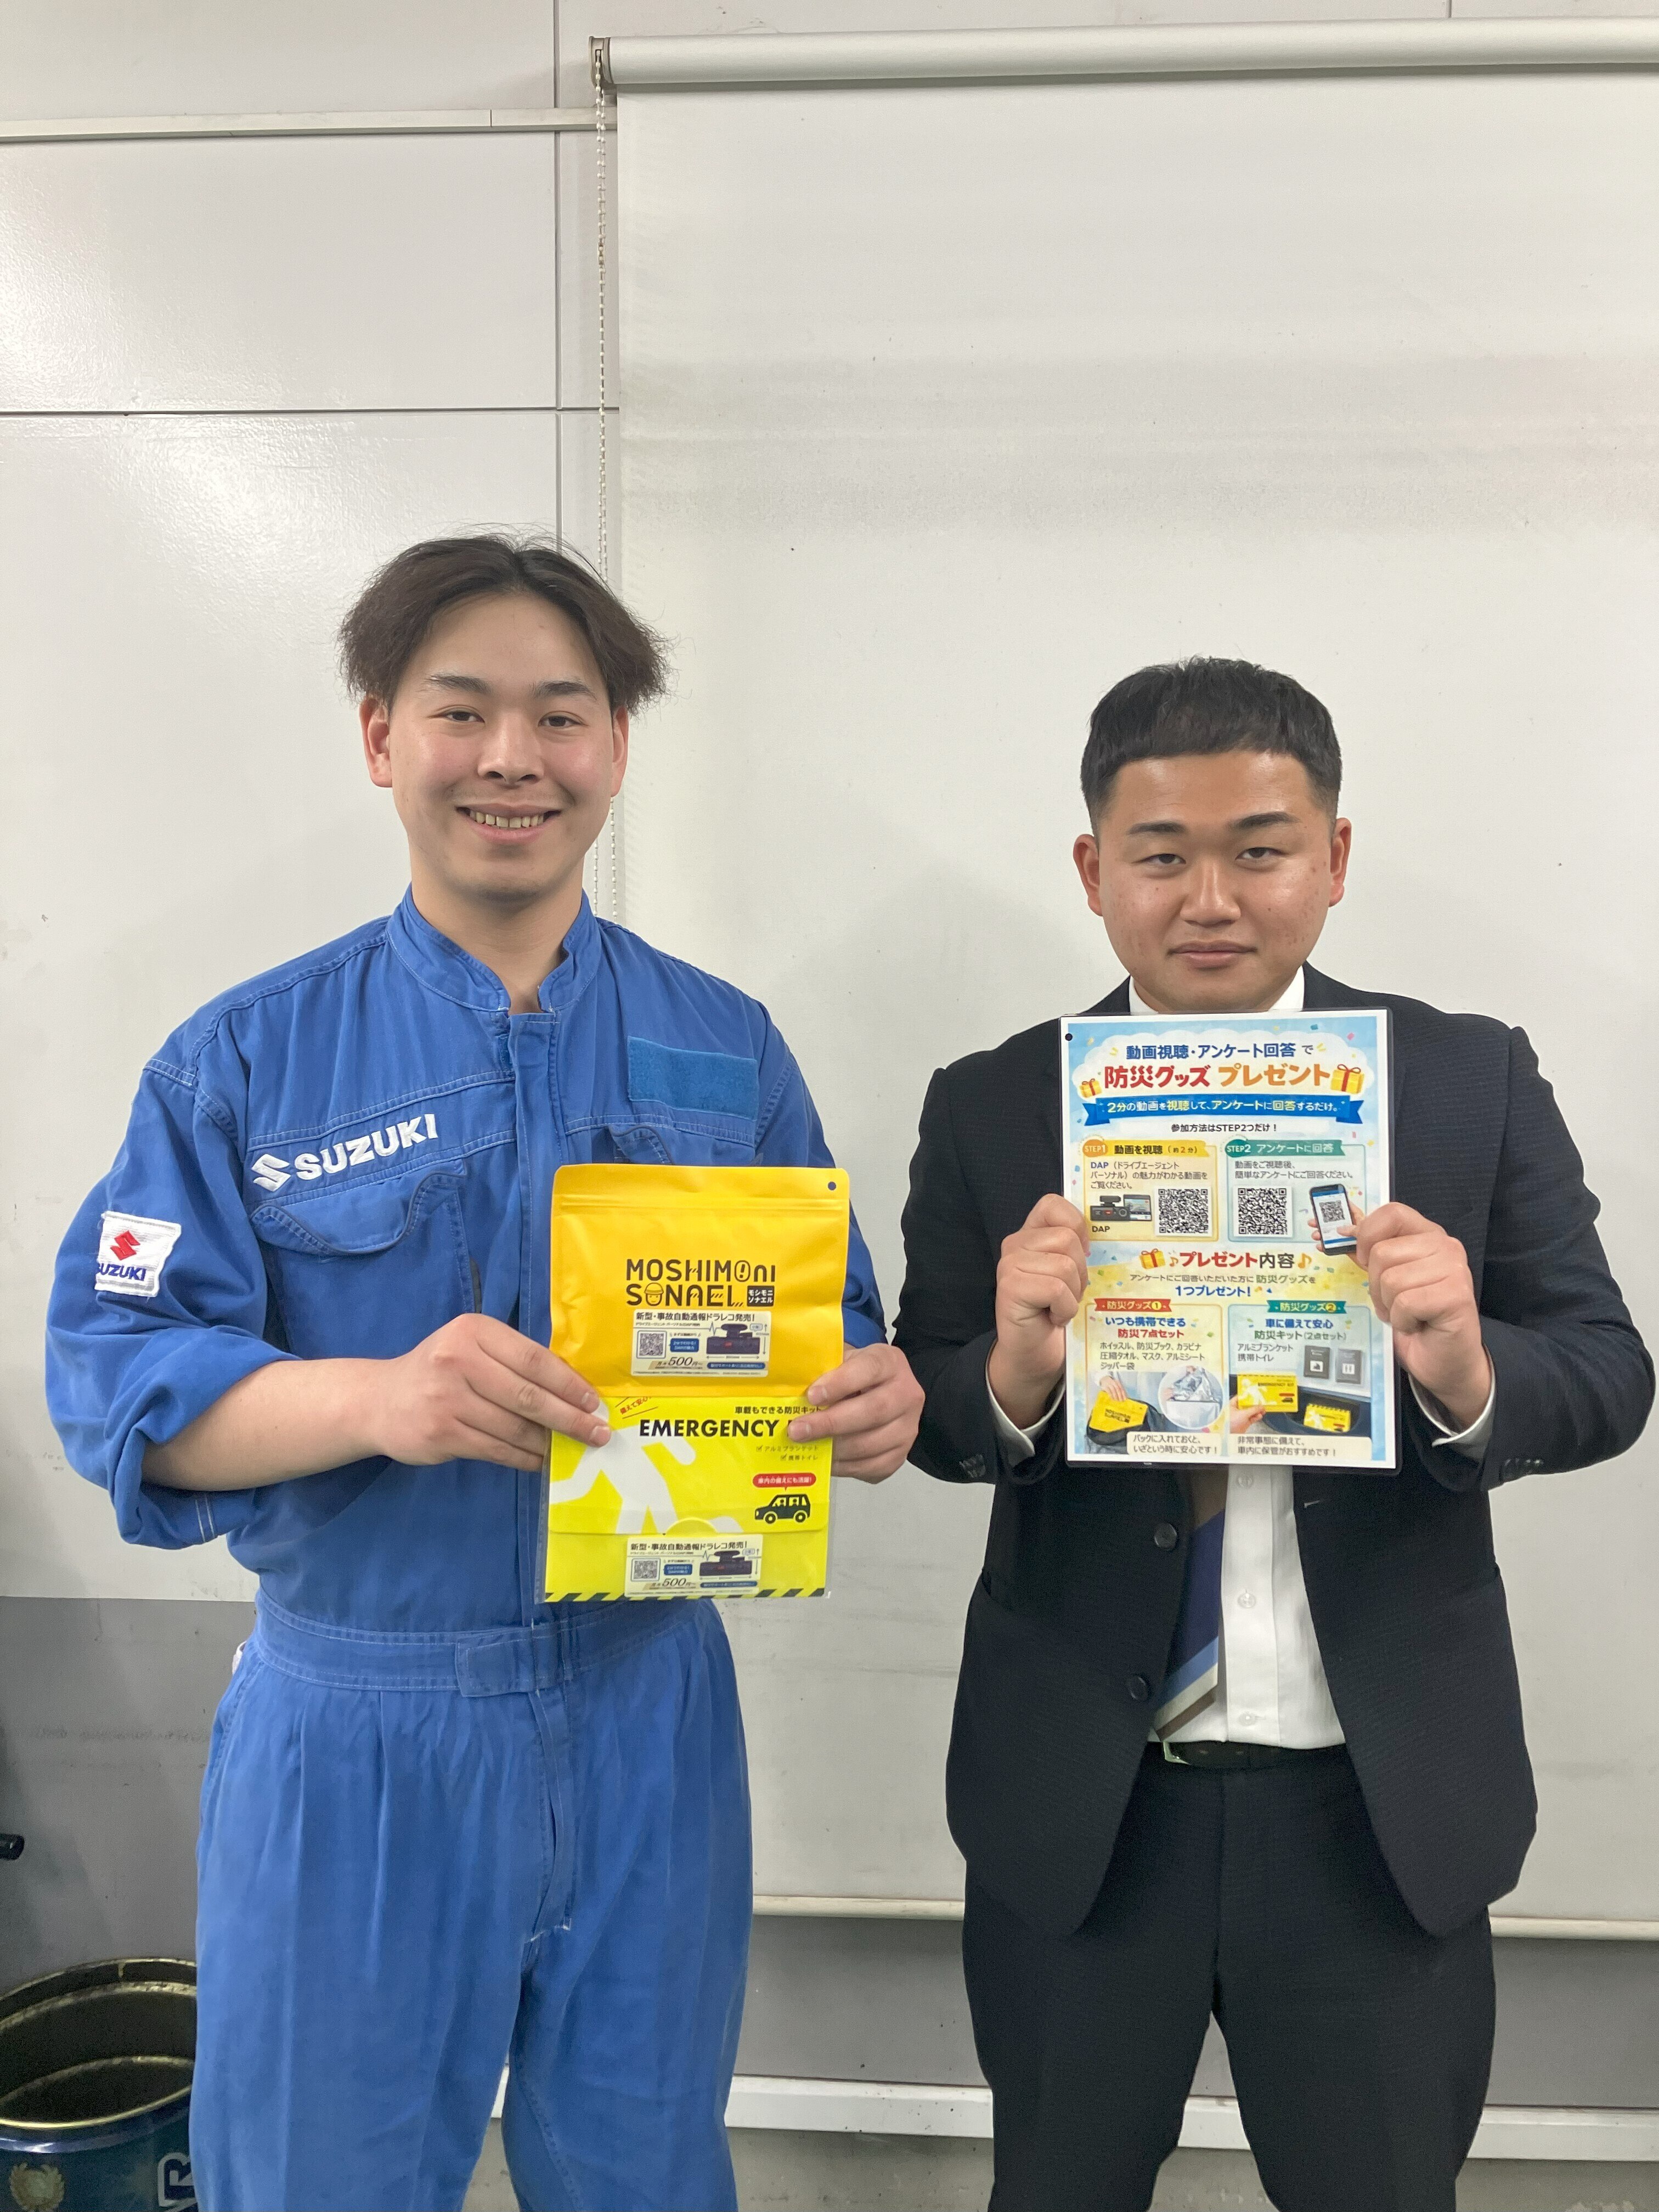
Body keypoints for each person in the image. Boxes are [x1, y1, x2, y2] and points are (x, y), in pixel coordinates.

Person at [46, 537, 923, 2212]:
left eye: (561, 715)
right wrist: (376, 1401)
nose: (513, 757)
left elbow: (841, 1326)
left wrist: (874, 1396)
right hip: (360, 1732)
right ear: (383, 738)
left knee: (644, 2174)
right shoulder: (246, 1059)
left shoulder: (724, 1043)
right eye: (462, 712)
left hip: (651, 1708)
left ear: (615, 747)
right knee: (319, 2178)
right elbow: (117, 1380)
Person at [892, 658, 1652, 2212]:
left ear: (1336, 856)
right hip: (1088, 1808)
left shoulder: (1466, 1080)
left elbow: (1605, 1373)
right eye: (1162, 856)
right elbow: (935, 1414)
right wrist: (1017, 1372)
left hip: (1375, 1807)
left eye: (1260, 849)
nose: (1211, 899)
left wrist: (1463, 1364)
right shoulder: (992, 1103)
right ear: (1094, 870)